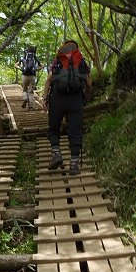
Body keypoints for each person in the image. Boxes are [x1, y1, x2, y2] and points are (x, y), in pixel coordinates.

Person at [41, 40, 92, 175]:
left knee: (53, 128)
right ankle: (74, 164)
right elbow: (88, 82)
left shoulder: (58, 61)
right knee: (75, 131)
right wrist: (85, 95)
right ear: (76, 48)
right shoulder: (80, 61)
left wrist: (45, 98)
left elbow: (48, 79)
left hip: (57, 98)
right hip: (75, 99)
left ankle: (56, 153)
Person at [15, 46, 41, 111]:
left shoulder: (24, 57)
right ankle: (31, 106)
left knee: (24, 89)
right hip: (32, 76)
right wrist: (36, 69)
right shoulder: (35, 57)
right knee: (31, 92)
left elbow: (16, 65)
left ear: (27, 50)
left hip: (24, 76)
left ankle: (25, 98)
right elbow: (42, 66)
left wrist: (21, 68)